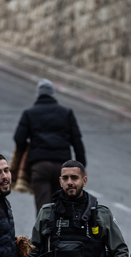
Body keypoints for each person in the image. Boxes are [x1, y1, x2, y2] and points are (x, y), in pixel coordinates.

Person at [12, 79, 86, 210]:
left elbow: (19, 138)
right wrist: (81, 166)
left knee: (44, 207)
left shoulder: (29, 113)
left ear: (38, 94)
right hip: (63, 166)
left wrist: (28, 151)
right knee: (62, 205)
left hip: (40, 165)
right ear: (53, 94)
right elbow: (77, 141)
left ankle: (45, 223)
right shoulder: (66, 113)